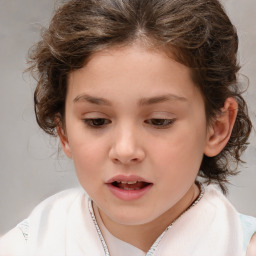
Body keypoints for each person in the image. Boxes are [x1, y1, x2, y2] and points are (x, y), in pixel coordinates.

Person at [0, 0, 255, 255]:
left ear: (217, 128)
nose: (125, 150)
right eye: (97, 121)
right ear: (63, 131)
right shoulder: (23, 247)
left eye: (159, 120)